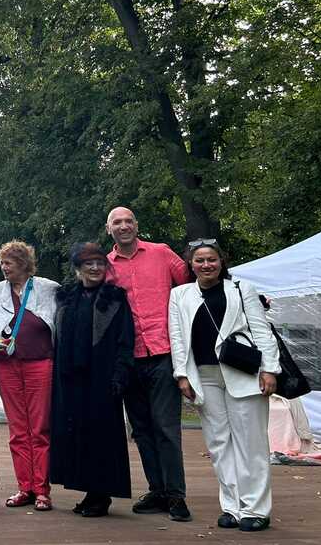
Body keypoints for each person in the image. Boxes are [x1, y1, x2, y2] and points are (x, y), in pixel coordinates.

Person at [169, 241, 280, 532]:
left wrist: (270, 369)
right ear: (191, 265)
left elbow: (262, 331)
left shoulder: (242, 289)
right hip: (204, 376)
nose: (206, 265)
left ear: (221, 262)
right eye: (200, 260)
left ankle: (255, 509)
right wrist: (182, 375)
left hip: (243, 373)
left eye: (212, 259)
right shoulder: (179, 294)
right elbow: (177, 337)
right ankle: (232, 507)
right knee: (219, 444)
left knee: (251, 444)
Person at [105, 206, 192, 521]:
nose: (124, 226)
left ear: (136, 225)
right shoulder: (105, 266)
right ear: (109, 229)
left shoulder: (161, 253)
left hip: (163, 352)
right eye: (117, 222)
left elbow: (195, 282)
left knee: (166, 427)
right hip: (128, 359)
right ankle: (157, 490)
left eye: (128, 220)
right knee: (141, 429)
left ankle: (176, 495)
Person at [50, 242, 135, 517]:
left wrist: (120, 375)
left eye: (100, 263)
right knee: (78, 435)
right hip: (71, 378)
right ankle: (89, 492)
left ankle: (101, 495)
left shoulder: (115, 298)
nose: (96, 268)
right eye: (89, 264)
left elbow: (125, 340)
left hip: (103, 377)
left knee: (102, 437)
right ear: (79, 268)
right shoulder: (67, 297)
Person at [0, 241, 59, 511]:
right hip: (7, 366)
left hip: (40, 363)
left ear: (22, 263)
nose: (3, 267)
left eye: (8, 262)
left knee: (39, 429)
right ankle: (25, 487)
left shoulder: (48, 288)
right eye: (2, 262)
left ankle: (42, 490)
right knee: (18, 430)